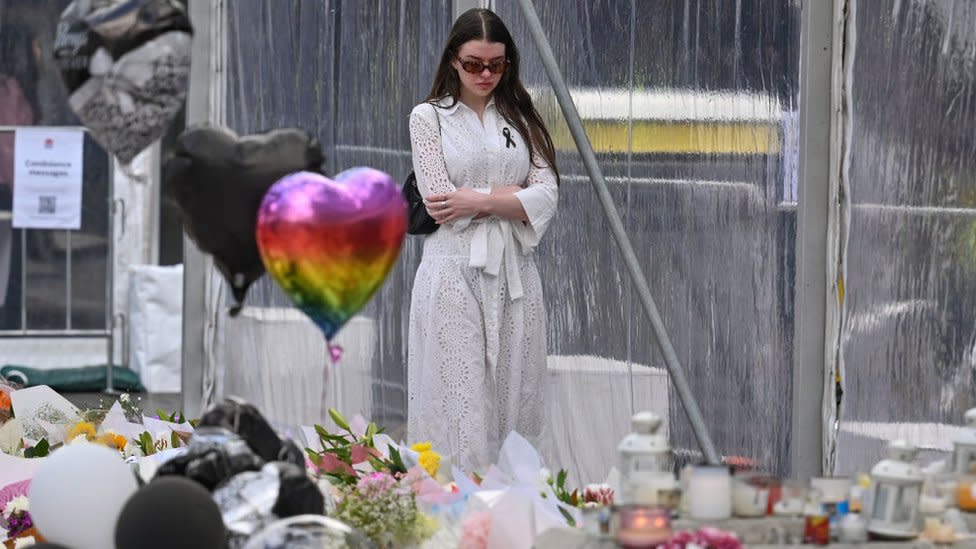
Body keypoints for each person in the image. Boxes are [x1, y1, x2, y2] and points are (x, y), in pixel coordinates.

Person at [407, 8, 559, 472]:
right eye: (474, 64)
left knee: (516, 401)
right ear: (454, 59)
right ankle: (456, 520)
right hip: (453, 274)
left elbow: (548, 195)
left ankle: (513, 519)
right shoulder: (428, 118)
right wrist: (511, 196)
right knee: (460, 404)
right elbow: (440, 204)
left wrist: (478, 199)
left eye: (496, 64)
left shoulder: (522, 116)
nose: (486, 74)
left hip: (515, 279)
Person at [0, 24, 40, 329]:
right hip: (9, 183)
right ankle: (11, 321)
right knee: (10, 260)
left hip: (9, 181)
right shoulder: (10, 89)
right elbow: (14, 140)